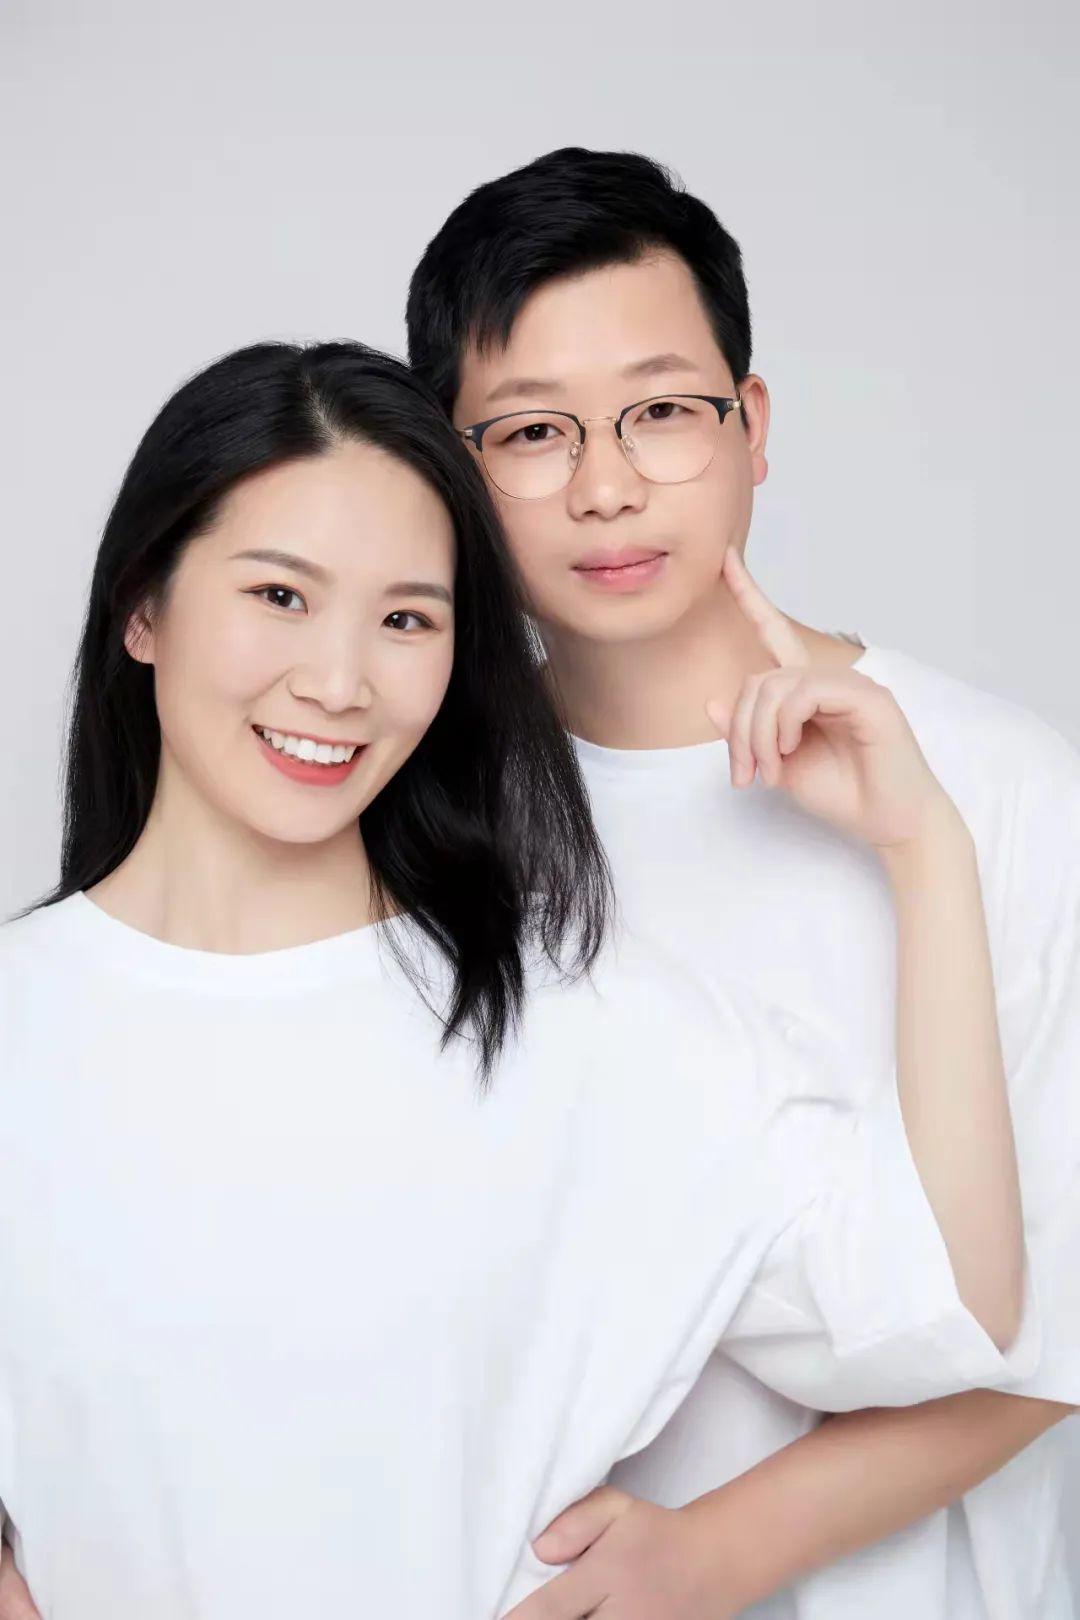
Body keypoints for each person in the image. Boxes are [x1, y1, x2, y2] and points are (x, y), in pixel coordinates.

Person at [0, 339, 1037, 1620]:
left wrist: (926, 849)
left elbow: (952, 1308)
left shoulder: (581, 1027)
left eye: (406, 620)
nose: (338, 682)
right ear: (143, 608)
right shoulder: (23, 1025)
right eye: (279, 595)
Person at [405, 147, 1080, 1619]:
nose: (605, 487)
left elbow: (1052, 1326)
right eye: (531, 432)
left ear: (752, 425)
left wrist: (719, 1551)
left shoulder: (1002, 786)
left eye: (660, 412)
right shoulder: (424, 813)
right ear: (453, 471)